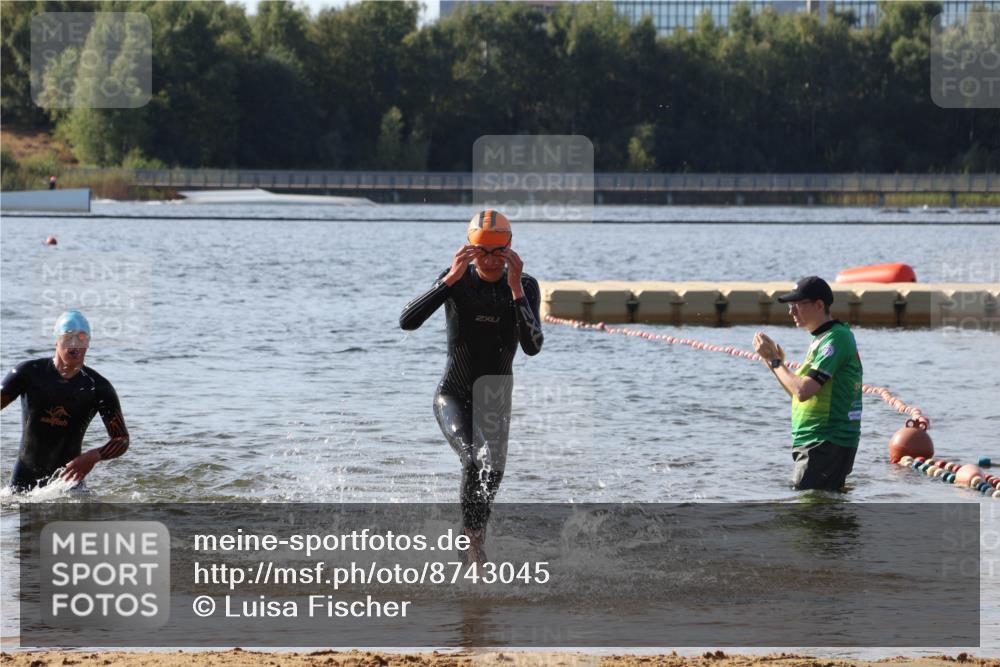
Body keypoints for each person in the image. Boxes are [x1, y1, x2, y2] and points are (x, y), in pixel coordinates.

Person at [399, 209, 543, 564]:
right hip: (453, 393)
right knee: (473, 461)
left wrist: (514, 290)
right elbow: (407, 321)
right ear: (469, 249)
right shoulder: (457, 280)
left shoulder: (525, 286)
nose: (491, 261)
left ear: (509, 249)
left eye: (498, 253)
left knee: (491, 473)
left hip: (495, 398)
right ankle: (473, 548)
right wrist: (448, 281)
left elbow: (532, 346)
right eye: (483, 252)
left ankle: (473, 540)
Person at [752, 276, 863, 491]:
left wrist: (776, 362)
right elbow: (796, 393)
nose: (791, 312)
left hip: (825, 442)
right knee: (819, 513)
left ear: (819, 305)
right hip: (816, 442)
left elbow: (803, 390)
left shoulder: (835, 338)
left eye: (797, 305)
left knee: (806, 514)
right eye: (790, 306)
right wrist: (772, 361)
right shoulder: (821, 339)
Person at [1, 310, 129, 492]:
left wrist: (94, 456)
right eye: (68, 337)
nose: (75, 344)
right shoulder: (29, 374)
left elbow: (121, 439)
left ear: (88, 343)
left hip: (68, 487)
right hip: (22, 483)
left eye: (81, 338)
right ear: (56, 340)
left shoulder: (98, 388)